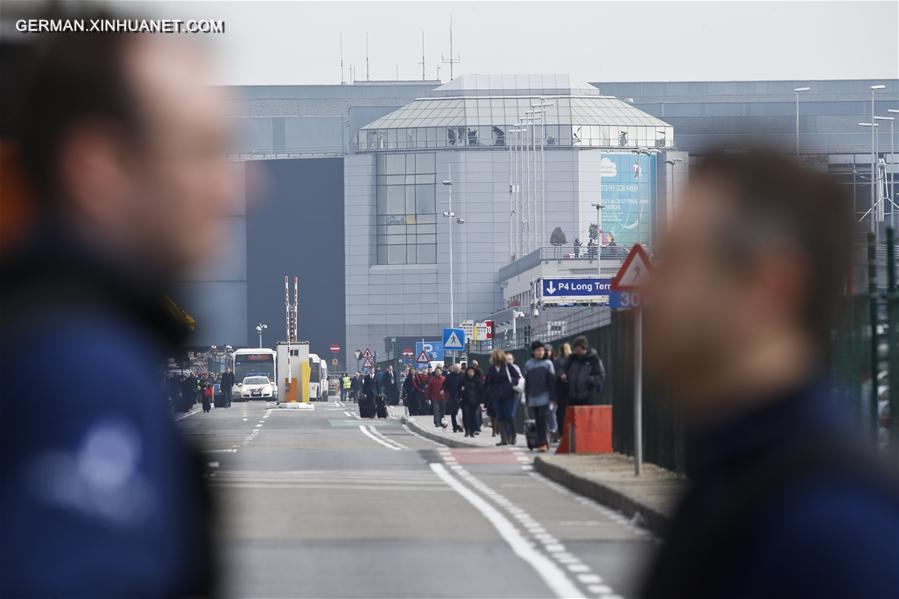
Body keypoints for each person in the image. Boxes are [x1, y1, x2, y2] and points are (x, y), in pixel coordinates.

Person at [0, 20, 226, 596]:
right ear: (97, 168)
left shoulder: (38, 326)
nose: (235, 187)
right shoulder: (83, 369)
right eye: (201, 151)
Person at [641, 149, 899, 598]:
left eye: (679, 263)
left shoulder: (834, 531)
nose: (647, 290)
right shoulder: (731, 478)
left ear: (771, 285)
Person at [484, 349, 520, 446]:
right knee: (500, 417)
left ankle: (513, 436)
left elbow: (516, 376)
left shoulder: (508, 366)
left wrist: (512, 383)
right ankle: (503, 439)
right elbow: (489, 382)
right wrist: (490, 393)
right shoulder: (491, 369)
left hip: (508, 394)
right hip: (496, 396)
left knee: (509, 415)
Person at [524, 341, 555, 452]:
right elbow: (527, 383)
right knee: (538, 420)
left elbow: (552, 382)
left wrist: (552, 398)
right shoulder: (528, 364)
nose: (540, 352)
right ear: (533, 352)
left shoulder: (548, 364)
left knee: (543, 418)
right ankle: (543, 441)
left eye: (542, 350)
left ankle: (543, 442)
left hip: (545, 396)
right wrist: (526, 398)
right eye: (538, 350)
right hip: (533, 398)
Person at [561, 336, 605, 406]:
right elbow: (563, 368)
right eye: (574, 349)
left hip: (587, 397)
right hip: (572, 397)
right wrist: (563, 374)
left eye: (577, 349)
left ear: (583, 348)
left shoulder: (594, 359)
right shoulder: (572, 358)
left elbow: (600, 376)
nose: (575, 351)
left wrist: (588, 380)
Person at [459, 365, 483, 437]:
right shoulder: (463, 380)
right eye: (469, 372)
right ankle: (467, 431)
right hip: (465, 401)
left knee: (473, 416)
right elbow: (458, 389)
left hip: (475, 401)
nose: (470, 373)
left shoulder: (477, 380)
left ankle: (472, 431)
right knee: (466, 416)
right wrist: (461, 390)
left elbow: (481, 390)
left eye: (472, 372)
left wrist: (481, 401)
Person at [554, 342, 572, 434]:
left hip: (561, 388)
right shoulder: (572, 360)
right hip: (569, 388)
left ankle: (562, 432)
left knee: (561, 412)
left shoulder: (558, 361)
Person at [443, 363, 464, 433]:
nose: (458, 371)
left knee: (460, 413)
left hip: (461, 397)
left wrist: (464, 388)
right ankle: (455, 427)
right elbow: (445, 385)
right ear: (454, 369)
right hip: (452, 397)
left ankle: (460, 426)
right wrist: (444, 390)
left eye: (459, 369)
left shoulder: (463, 376)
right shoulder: (449, 376)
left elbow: (466, 384)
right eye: (456, 369)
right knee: (453, 413)